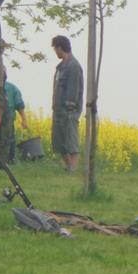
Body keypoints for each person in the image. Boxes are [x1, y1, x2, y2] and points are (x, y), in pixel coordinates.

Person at [50, 35, 84, 172]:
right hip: (58, 109)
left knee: (71, 141)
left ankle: (73, 169)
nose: (55, 52)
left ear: (60, 48)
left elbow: (73, 89)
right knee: (59, 141)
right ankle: (69, 167)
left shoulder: (73, 66)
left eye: (55, 48)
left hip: (69, 110)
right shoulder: (60, 67)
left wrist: (70, 108)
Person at [0, 78, 28, 164]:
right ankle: (1, 160)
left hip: (7, 119)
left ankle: (8, 160)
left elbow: (19, 105)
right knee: (1, 139)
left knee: (8, 139)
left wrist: (24, 120)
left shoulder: (12, 88)